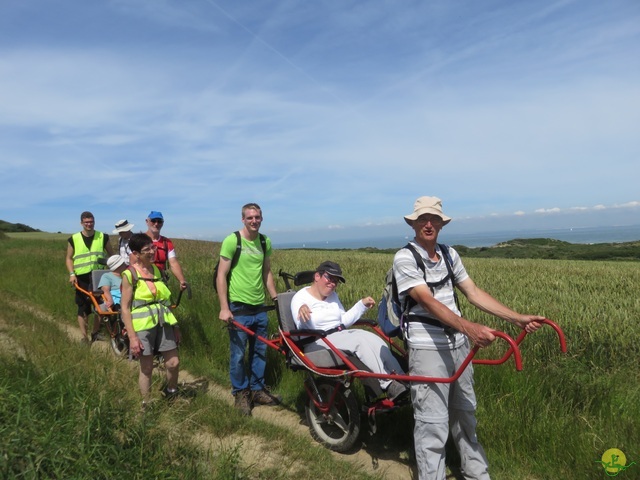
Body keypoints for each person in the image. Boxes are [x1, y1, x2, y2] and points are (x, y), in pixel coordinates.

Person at [393, 196, 545, 480]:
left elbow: (473, 293)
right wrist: (470, 328)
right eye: (423, 219)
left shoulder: (450, 254)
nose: (429, 224)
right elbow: (426, 301)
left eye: (435, 219)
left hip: (459, 346)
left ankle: (478, 475)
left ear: (441, 224)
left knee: (466, 415)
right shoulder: (405, 258)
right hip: (427, 348)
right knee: (432, 424)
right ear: (413, 224)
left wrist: (517, 318)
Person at [291, 261, 408, 401]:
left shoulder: (332, 296)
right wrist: (302, 309)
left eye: (336, 281)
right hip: (316, 341)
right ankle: (388, 384)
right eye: (329, 278)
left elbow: (343, 321)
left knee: (372, 338)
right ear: (317, 276)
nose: (332, 283)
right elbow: (300, 324)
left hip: (337, 335)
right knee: (359, 342)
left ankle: (402, 378)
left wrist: (361, 305)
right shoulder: (300, 297)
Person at [216, 202, 279, 416]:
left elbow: (267, 272)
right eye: (250, 217)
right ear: (243, 219)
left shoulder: (264, 241)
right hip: (238, 308)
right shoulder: (232, 241)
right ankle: (241, 392)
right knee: (238, 354)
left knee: (260, 350)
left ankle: (257, 389)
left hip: (259, 306)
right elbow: (221, 276)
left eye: (257, 217)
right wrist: (224, 308)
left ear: (262, 218)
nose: (254, 221)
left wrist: (275, 298)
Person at [120, 233, 181, 404]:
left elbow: (166, 301)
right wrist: (132, 338)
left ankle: (171, 393)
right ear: (136, 254)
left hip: (163, 323)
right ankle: (145, 404)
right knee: (147, 368)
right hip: (142, 327)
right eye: (147, 250)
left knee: (173, 363)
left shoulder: (157, 270)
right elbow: (125, 308)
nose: (152, 252)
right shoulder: (129, 274)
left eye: (152, 248)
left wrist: (175, 327)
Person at [66, 211, 114, 343]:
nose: (89, 224)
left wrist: (113, 271)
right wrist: (72, 274)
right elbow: (69, 259)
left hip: (99, 276)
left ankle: (95, 333)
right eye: (86, 222)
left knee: (101, 306)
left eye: (91, 221)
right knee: (83, 307)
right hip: (81, 277)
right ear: (82, 223)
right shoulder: (74, 239)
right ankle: (84, 336)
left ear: (94, 222)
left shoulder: (103, 237)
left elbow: (111, 255)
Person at [144, 211, 188, 289]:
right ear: (147, 222)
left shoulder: (167, 242)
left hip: (161, 280)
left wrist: (182, 280)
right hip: (143, 279)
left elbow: (173, 262)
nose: (156, 224)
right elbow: (133, 262)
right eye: (153, 221)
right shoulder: (139, 240)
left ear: (163, 223)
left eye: (159, 221)